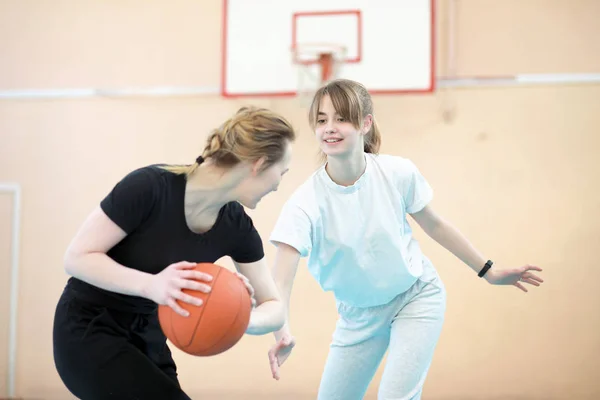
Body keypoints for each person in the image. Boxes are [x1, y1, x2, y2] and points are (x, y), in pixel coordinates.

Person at [266, 79, 544, 400]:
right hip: (357, 316)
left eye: (341, 118)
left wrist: (489, 271)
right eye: (322, 120)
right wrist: (281, 333)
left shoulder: (397, 173)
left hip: (415, 297)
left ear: (365, 123)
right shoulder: (304, 204)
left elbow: (436, 226)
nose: (330, 128)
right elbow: (280, 284)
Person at [52, 106, 296, 400]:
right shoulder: (149, 187)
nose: (278, 185)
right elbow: (77, 257)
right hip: (89, 327)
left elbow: (273, 304)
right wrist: (150, 284)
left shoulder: (237, 226)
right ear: (257, 164)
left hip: (148, 335)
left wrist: (240, 314)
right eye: (280, 172)